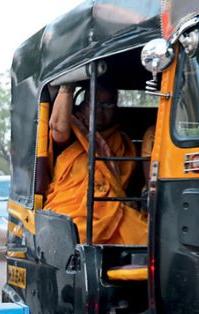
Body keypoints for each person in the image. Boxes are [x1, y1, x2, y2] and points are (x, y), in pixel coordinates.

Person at [44, 81, 147, 246]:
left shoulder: (123, 143)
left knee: (144, 236)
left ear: (116, 109)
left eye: (107, 105)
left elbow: (124, 188)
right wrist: (67, 87)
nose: (99, 111)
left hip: (113, 213)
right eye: (94, 104)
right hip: (69, 212)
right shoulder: (73, 133)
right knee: (69, 235)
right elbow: (58, 130)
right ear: (84, 106)